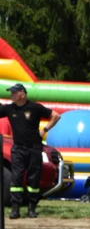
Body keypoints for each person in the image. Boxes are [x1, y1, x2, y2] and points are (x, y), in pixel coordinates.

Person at [0, 83, 61, 219]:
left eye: (14, 93)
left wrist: (44, 130)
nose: (11, 95)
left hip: (34, 149)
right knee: (16, 179)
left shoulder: (35, 107)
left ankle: (31, 209)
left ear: (22, 93)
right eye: (11, 93)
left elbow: (56, 116)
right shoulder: (9, 109)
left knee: (34, 180)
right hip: (17, 149)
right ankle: (15, 209)